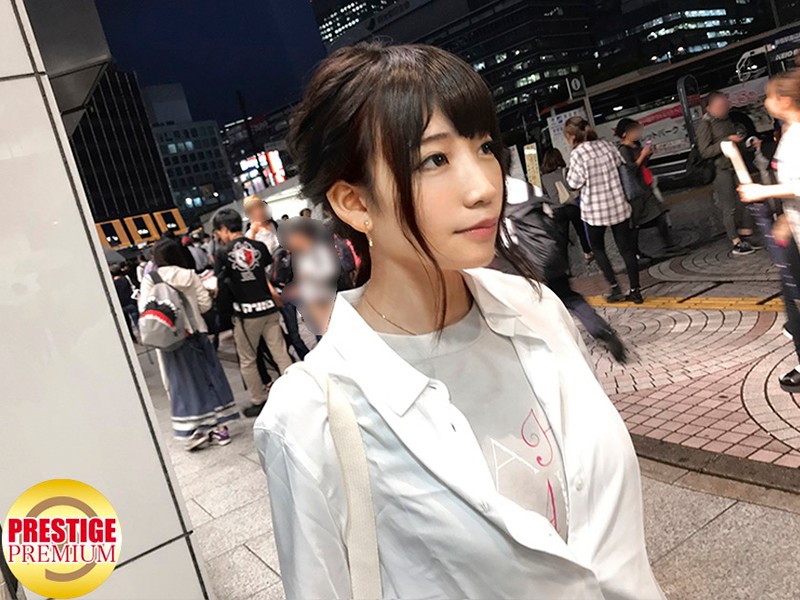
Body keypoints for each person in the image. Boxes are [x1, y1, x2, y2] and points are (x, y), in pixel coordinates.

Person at [254, 42, 663, 600]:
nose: (484, 187)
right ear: (355, 202)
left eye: (485, 147)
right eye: (435, 160)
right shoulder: (309, 416)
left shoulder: (536, 307)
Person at [498, 177, 627, 362]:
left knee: (533, 310)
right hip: (551, 255)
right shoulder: (529, 188)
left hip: (525, 264)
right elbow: (549, 216)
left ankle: (556, 351)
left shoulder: (495, 195)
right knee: (569, 296)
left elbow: (505, 237)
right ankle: (600, 328)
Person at [139, 237, 239, 451]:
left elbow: (144, 308)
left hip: (172, 339)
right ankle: (221, 429)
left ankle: (196, 430)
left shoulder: (151, 278)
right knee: (210, 378)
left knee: (183, 384)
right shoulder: (189, 275)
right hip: (197, 333)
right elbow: (204, 305)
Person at [738, 70, 800, 392]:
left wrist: (762, 192)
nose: (765, 102)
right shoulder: (790, 132)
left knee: (794, 297)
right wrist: (785, 221)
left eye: (769, 96)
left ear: (785, 101)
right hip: (795, 227)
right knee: (792, 296)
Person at [212, 208, 293, 418]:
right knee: (280, 353)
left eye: (218, 232)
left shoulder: (222, 253)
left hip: (246, 314)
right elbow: (266, 274)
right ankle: (296, 392)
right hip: (268, 307)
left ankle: (258, 399)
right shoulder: (258, 246)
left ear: (223, 229)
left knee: (248, 359)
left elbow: (220, 284)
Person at [564, 116, 644, 304]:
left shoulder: (578, 154)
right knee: (626, 249)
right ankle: (635, 291)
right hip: (617, 205)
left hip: (595, 211)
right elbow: (619, 164)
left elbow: (574, 183)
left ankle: (615, 288)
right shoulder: (607, 146)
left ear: (571, 136)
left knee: (598, 248)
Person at [697, 91, 757, 256]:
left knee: (748, 198)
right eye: (719, 106)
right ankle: (735, 241)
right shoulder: (705, 124)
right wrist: (727, 141)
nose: (723, 108)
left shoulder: (727, 120)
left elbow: (736, 145)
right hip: (720, 170)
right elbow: (705, 151)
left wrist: (748, 144)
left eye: (725, 105)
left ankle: (746, 233)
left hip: (736, 166)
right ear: (709, 108)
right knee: (729, 206)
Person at [615, 118, 676, 261]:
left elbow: (643, 165)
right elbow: (631, 169)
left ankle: (670, 246)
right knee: (635, 224)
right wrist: (643, 155)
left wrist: (647, 155)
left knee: (659, 215)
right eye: (634, 130)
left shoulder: (636, 145)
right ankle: (634, 252)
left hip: (646, 187)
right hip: (635, 191)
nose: (637, 133)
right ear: (625, 133)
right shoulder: (623, 150)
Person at [539, 148, 592, 264]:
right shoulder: (565, 171)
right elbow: (573, 186)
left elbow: (544, 194)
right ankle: (587, 253)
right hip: (571, 205)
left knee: (562, 238)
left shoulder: (543, 178)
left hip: (556, 210)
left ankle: (565, 263)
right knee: (581, 231)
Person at [110, 263, 139, 341]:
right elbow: (132, 287)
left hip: (122, 305)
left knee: (127, 323)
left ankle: (132, 337)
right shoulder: (125, 278)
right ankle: (142, 335)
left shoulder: (113, 284)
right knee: (137, 320)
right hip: (130, 302)